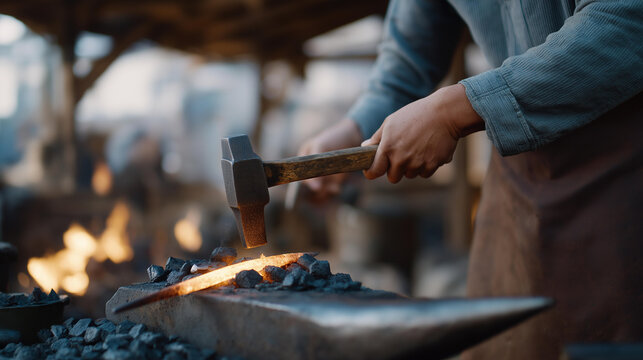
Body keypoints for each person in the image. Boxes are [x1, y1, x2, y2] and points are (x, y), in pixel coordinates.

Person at [298, 1, 643, 359]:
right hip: (518, 185)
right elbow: (409, 56)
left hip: (625, 179)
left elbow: (625, 19)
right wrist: (354, 129)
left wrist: (457, 109)